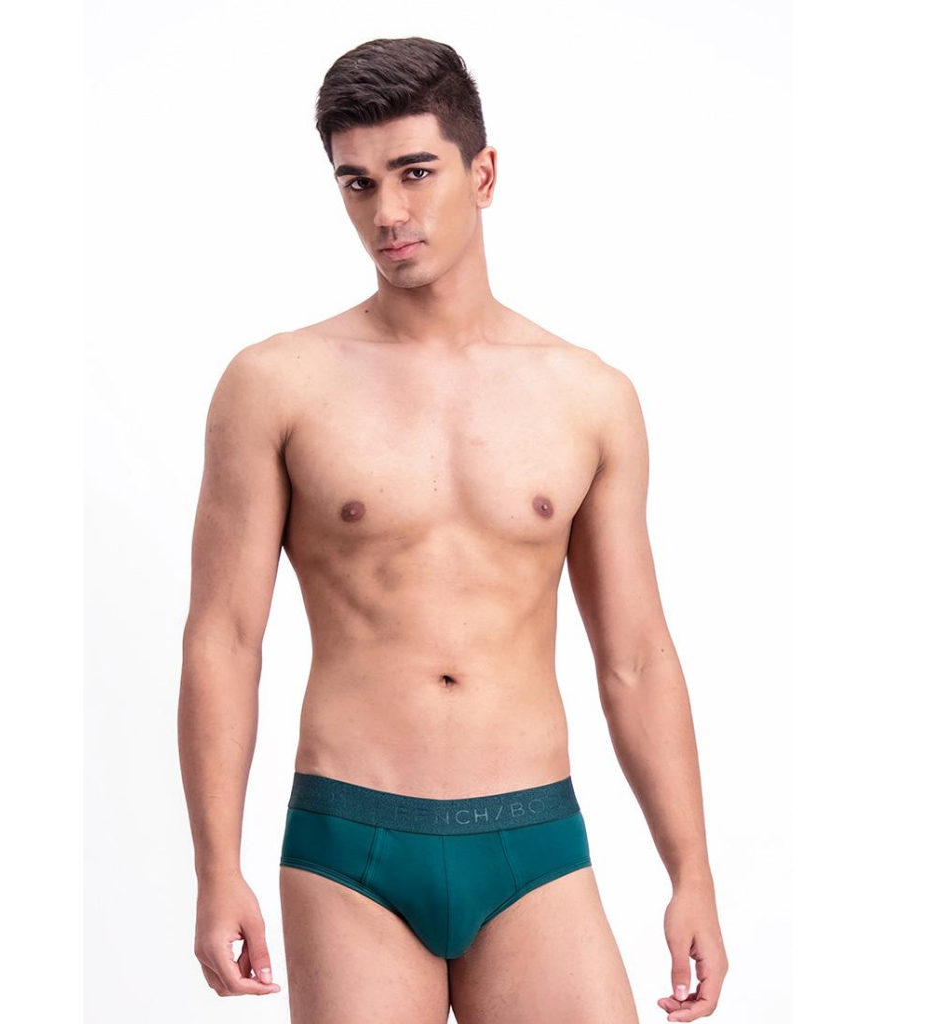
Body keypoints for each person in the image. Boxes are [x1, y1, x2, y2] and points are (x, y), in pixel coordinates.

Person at [177, 35, 727, 1024]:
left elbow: (636, 656)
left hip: (534, 839)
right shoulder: (274, 385)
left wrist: (692, 871)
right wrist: (217, 868)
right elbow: (224, 637)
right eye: (357, 183)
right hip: (351, 843)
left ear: (483, 173)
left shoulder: (589, 396)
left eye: (414, 172)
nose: (387, 212)